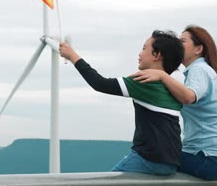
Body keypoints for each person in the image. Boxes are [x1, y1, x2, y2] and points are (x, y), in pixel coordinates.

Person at [130, 25, 217, 182]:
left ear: (198, 49)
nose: (177, 44)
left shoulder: (199, 70)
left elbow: (189, 97)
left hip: (208, 158)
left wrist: (162, 75)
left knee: (156, 159)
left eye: (182, 41)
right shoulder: (206, 71)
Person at [59, 30, 184, 175]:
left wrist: (72, 56)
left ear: (156, 55)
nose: (140, 54)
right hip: (171, 162)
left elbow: (100, 84)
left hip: (149, 159)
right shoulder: (172, 87)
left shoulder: (144, 82)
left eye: (144, 48)